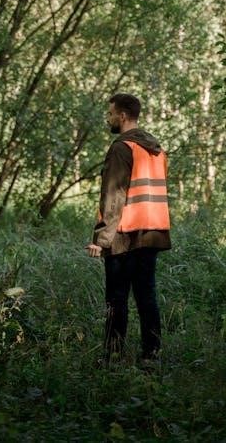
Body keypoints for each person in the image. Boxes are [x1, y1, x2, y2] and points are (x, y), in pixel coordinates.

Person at [85, 93, 171, 366]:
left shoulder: (122, 148)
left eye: (110, 114)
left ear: (122, 116)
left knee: (116, 298)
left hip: (124, 235)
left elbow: (114, 196)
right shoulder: (155, 149)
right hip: (152, 232)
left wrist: (101, 239)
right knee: (146, 296)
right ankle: (151, 356)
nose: (108, 118)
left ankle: (112, 357)